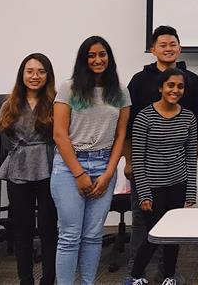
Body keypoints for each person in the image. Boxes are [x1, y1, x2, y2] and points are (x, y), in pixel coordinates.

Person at [124, 25, 198, 274]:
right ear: (152, 49)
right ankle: (135, 273)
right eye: (163, 45)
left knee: (172, 223)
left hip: (176, 171)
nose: (168, 49)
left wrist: (190, 168)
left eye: (173, 44)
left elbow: (196, 126)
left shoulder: (191, 80)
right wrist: (129, 161)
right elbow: (128, 125)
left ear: (179, 48)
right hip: (145, 167)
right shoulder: (139, 80)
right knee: (142, 221)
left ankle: (167, 272)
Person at [51, 36, 130, 285]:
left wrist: (108, 174)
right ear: (84, 59)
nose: (98, 59)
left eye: (102, 54)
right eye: (92, 55)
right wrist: (78, 173)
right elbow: (59, 134)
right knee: (70, 235)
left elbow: (120, 136)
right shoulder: (70, 88)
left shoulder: (120, 91)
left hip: (104, 165)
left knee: (94, 235)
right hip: (69, 167)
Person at [0, 53, 58, 285]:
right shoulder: (9, 104)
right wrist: (22, 154)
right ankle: (25, 279)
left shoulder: (56, 103)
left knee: (48, 228)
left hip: (48, 168)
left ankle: (48, 279)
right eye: (30, 71)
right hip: (18, 170)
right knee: (22, 229)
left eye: (41, 71)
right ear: (22, 74)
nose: (35, 76)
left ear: (48, 76)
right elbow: (5, 139)